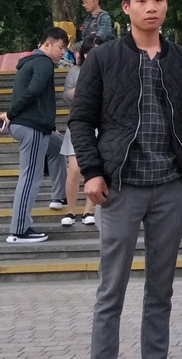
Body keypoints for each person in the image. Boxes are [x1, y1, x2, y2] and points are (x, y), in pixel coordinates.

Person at [69, 0, 182, 359]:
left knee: (161, 291)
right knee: (111, 290)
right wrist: (93, 172)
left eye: (158, 0)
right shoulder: (103, 58)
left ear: (166, 5)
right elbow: (81, 119)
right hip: (120, 188)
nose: (151, 7)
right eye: (142, 0)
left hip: (170, 188)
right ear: (126, 7)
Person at [0, 27, 70, 243]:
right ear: (47, 44)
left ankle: (59, 196)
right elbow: (33, 91)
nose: (62, 52)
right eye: (60, 47)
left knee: (59, 146)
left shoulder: (31, 62)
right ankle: (19, 230)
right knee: (30, 178)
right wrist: (10, 114)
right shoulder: (43, 62)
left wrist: (49, 126)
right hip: (31, 127)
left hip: (35, 125)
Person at [60, 34, 101, 228]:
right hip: (78, 122)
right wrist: (82, 88)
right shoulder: (75, 71)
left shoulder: (108, 69)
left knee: (95, 167)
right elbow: (66, 95)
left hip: (100, 123)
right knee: (74, 169)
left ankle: (89, 210)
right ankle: (70, 210)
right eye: (89, 52)